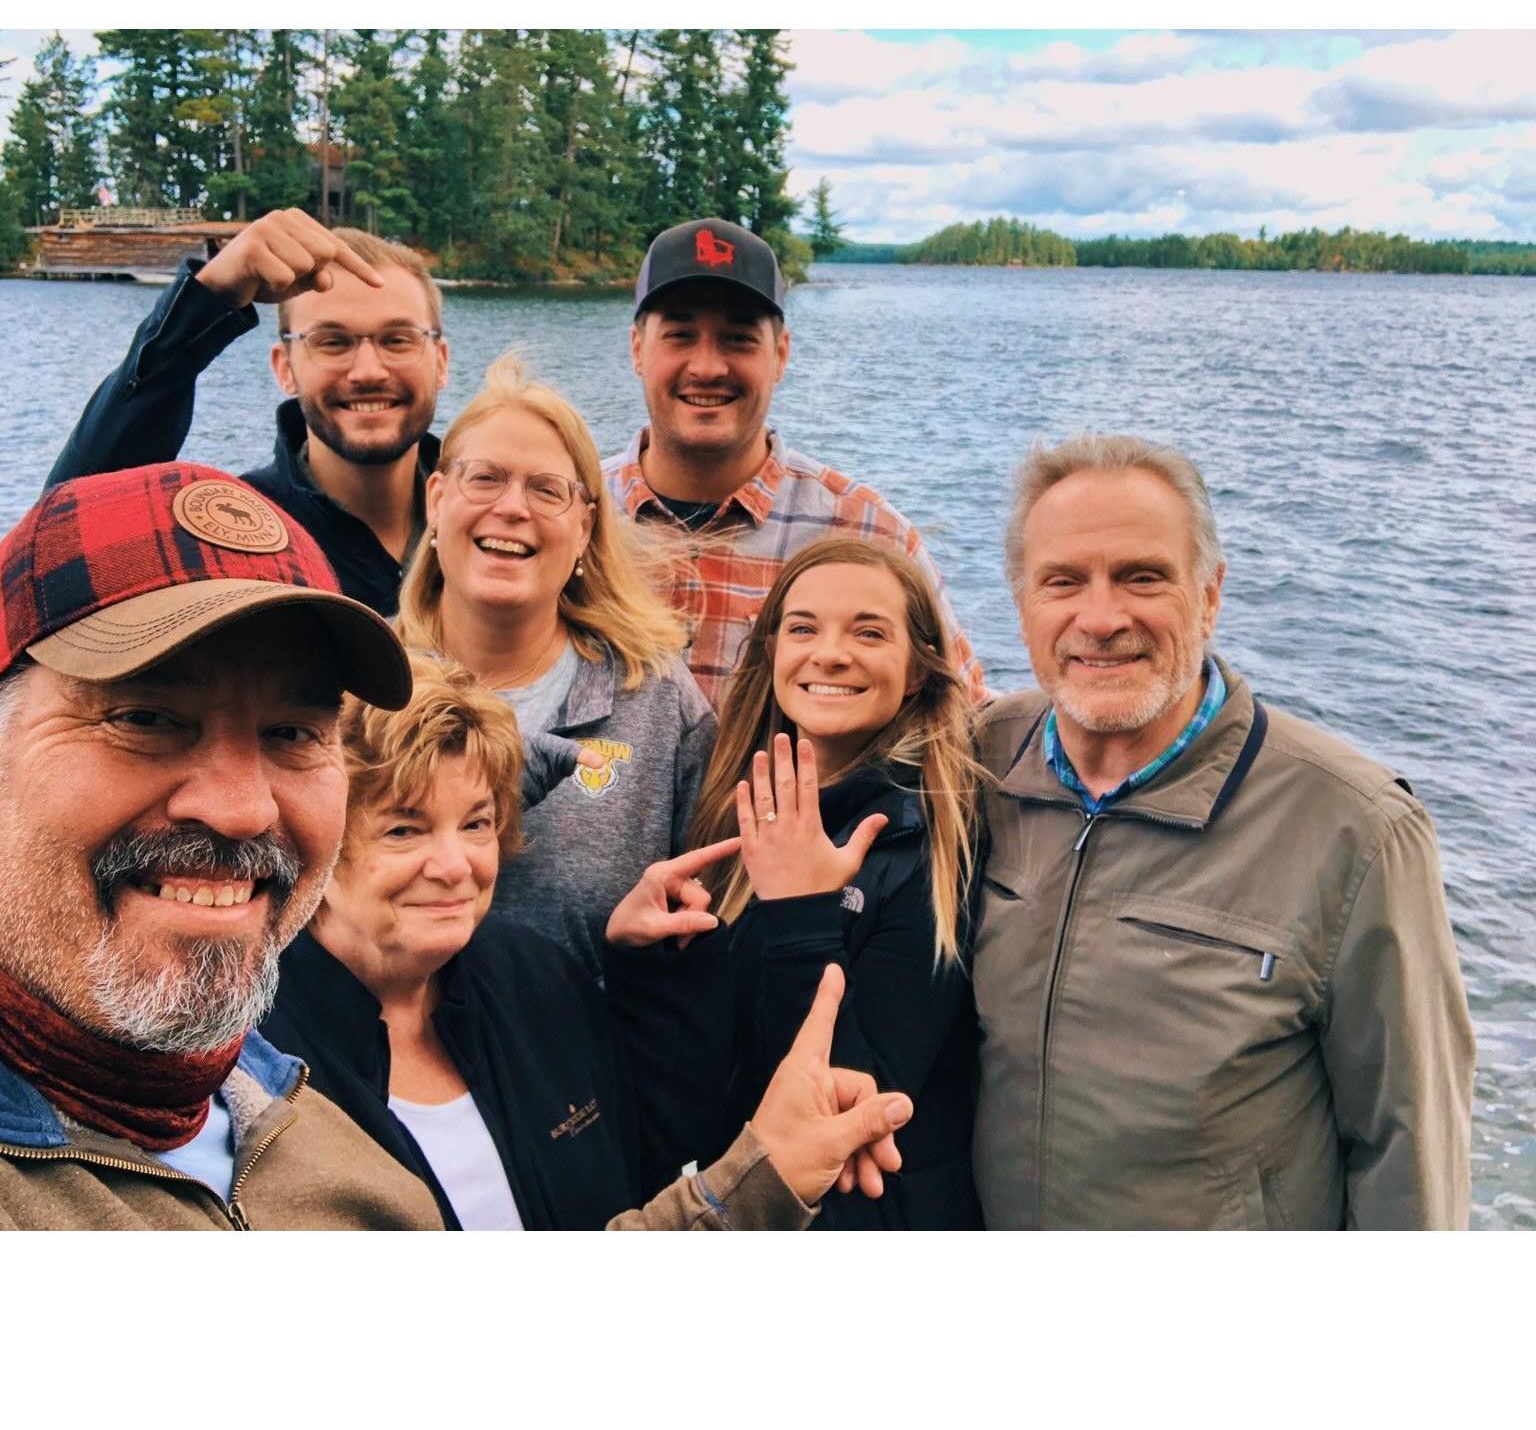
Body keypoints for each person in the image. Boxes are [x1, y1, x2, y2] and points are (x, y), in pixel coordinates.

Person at [0, 463, 918, 1230]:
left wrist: (757, 1171)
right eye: (145, 718)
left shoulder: (290, 1126)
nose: (240, 808)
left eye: (290, 733)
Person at [972, 433, 1476, 1230]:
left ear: (1210, 595)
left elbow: (1409, 1155)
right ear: (1023, 603)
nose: (1100, 618)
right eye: (1062, 581)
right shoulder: (977, 762)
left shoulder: (1359, 830)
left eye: (1142, 577)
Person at [261, 653, 735, 1228]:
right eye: (404, 829)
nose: (455, 865)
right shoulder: (252, 1064)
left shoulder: (538, 980)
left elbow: (648, 1166)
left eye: (476, 823)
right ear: (317, 841)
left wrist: (650, 973)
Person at [606, 536, 985, 1229]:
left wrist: (804, 915)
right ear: (773, 653)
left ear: (916, 672)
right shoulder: (747, 807)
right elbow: (707, 1061)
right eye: (803, 628)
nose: (830, 653)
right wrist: (643, 956)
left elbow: (847, 1114)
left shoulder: (932, 842)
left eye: (869, 632)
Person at [395, 356, 714, 977]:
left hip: (589, 1061)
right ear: (436, 499)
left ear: (584, 526)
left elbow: (707, 921)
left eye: (547, 490)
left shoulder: (653, 700)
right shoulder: (361, 683)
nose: (513, 508)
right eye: (485, 479)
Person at [601, 216, 988, 710]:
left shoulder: (868, 532)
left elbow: (964, 717)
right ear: (637, 350)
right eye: (680, 335)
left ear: (780, 355)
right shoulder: (570, 516)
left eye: (739, 339)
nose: (707, 367)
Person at [47, 208, 448, 616]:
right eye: (332, 342)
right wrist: (206, 300)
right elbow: (61, 548)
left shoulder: (488, 520)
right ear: (284, 367)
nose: (368, 371)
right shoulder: (228, 541)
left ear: (441, 362)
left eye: (398, 340)